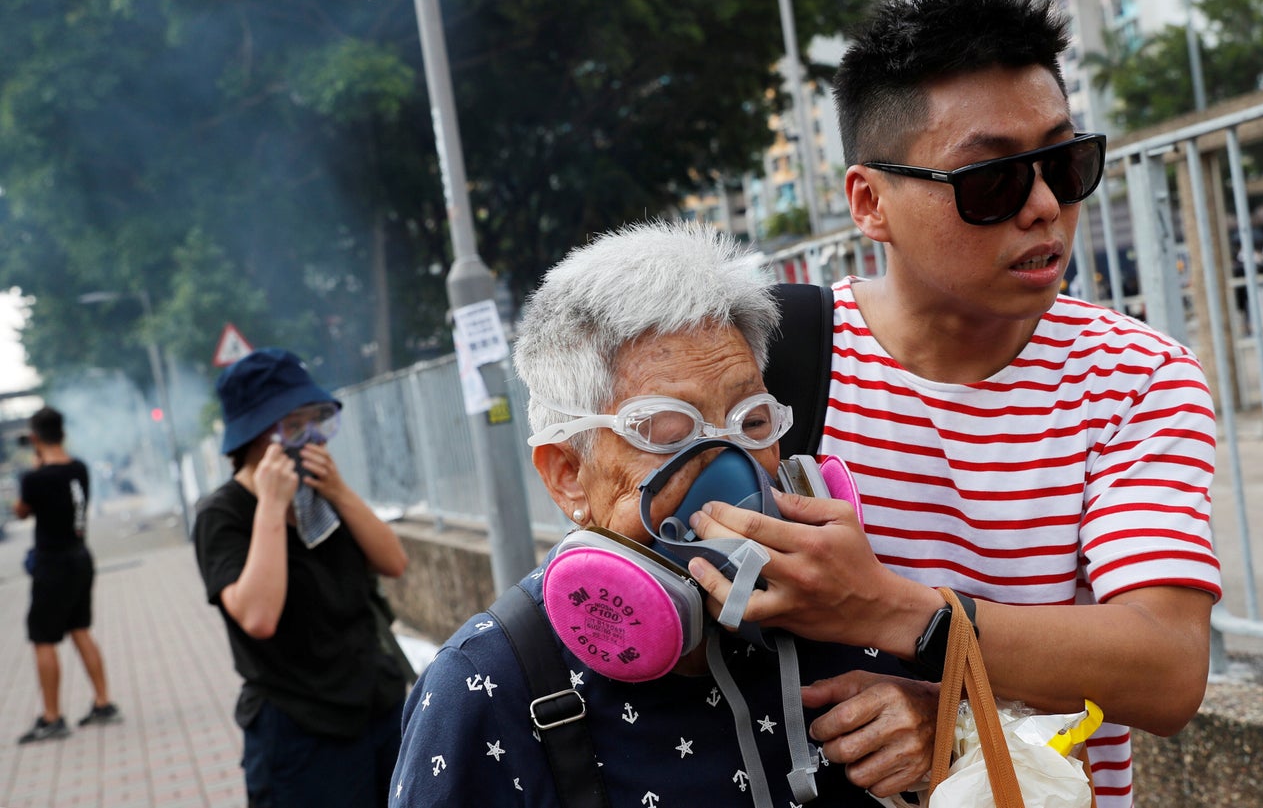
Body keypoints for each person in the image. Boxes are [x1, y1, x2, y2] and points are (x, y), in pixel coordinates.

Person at [685, 0, 1222, 808]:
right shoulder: (765, 362)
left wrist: (915, 640)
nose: (1044, 205)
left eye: (1064, 161)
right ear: (871, 201)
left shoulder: (1133, 377)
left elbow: (1166, 667)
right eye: (993, 181)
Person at [389, 221, 938, 807]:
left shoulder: (841, 605)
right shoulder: (486, 687)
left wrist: (939, 727)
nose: (729, 467)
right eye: (667, 432)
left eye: (752, 422)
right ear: (567, 472)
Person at [195, 347, 409, 807]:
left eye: (319, 421)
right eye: (294, 426)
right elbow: (257, 617)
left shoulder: (321, 493)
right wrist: (271, 505)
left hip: (376, 703)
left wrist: (338, 491)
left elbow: (394, 562)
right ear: (254, 437)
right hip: (300, 726)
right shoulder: (222, 515)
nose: (313, 438)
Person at [14, 405, 121, 744]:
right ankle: (103, 703)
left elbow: (20, 512)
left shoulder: (35, 478)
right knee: (79, 629)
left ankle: (52, 717)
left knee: (43, 638)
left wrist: (35, 465)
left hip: (53, 563)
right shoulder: (79, 468)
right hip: (81, 557)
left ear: (34, 438)